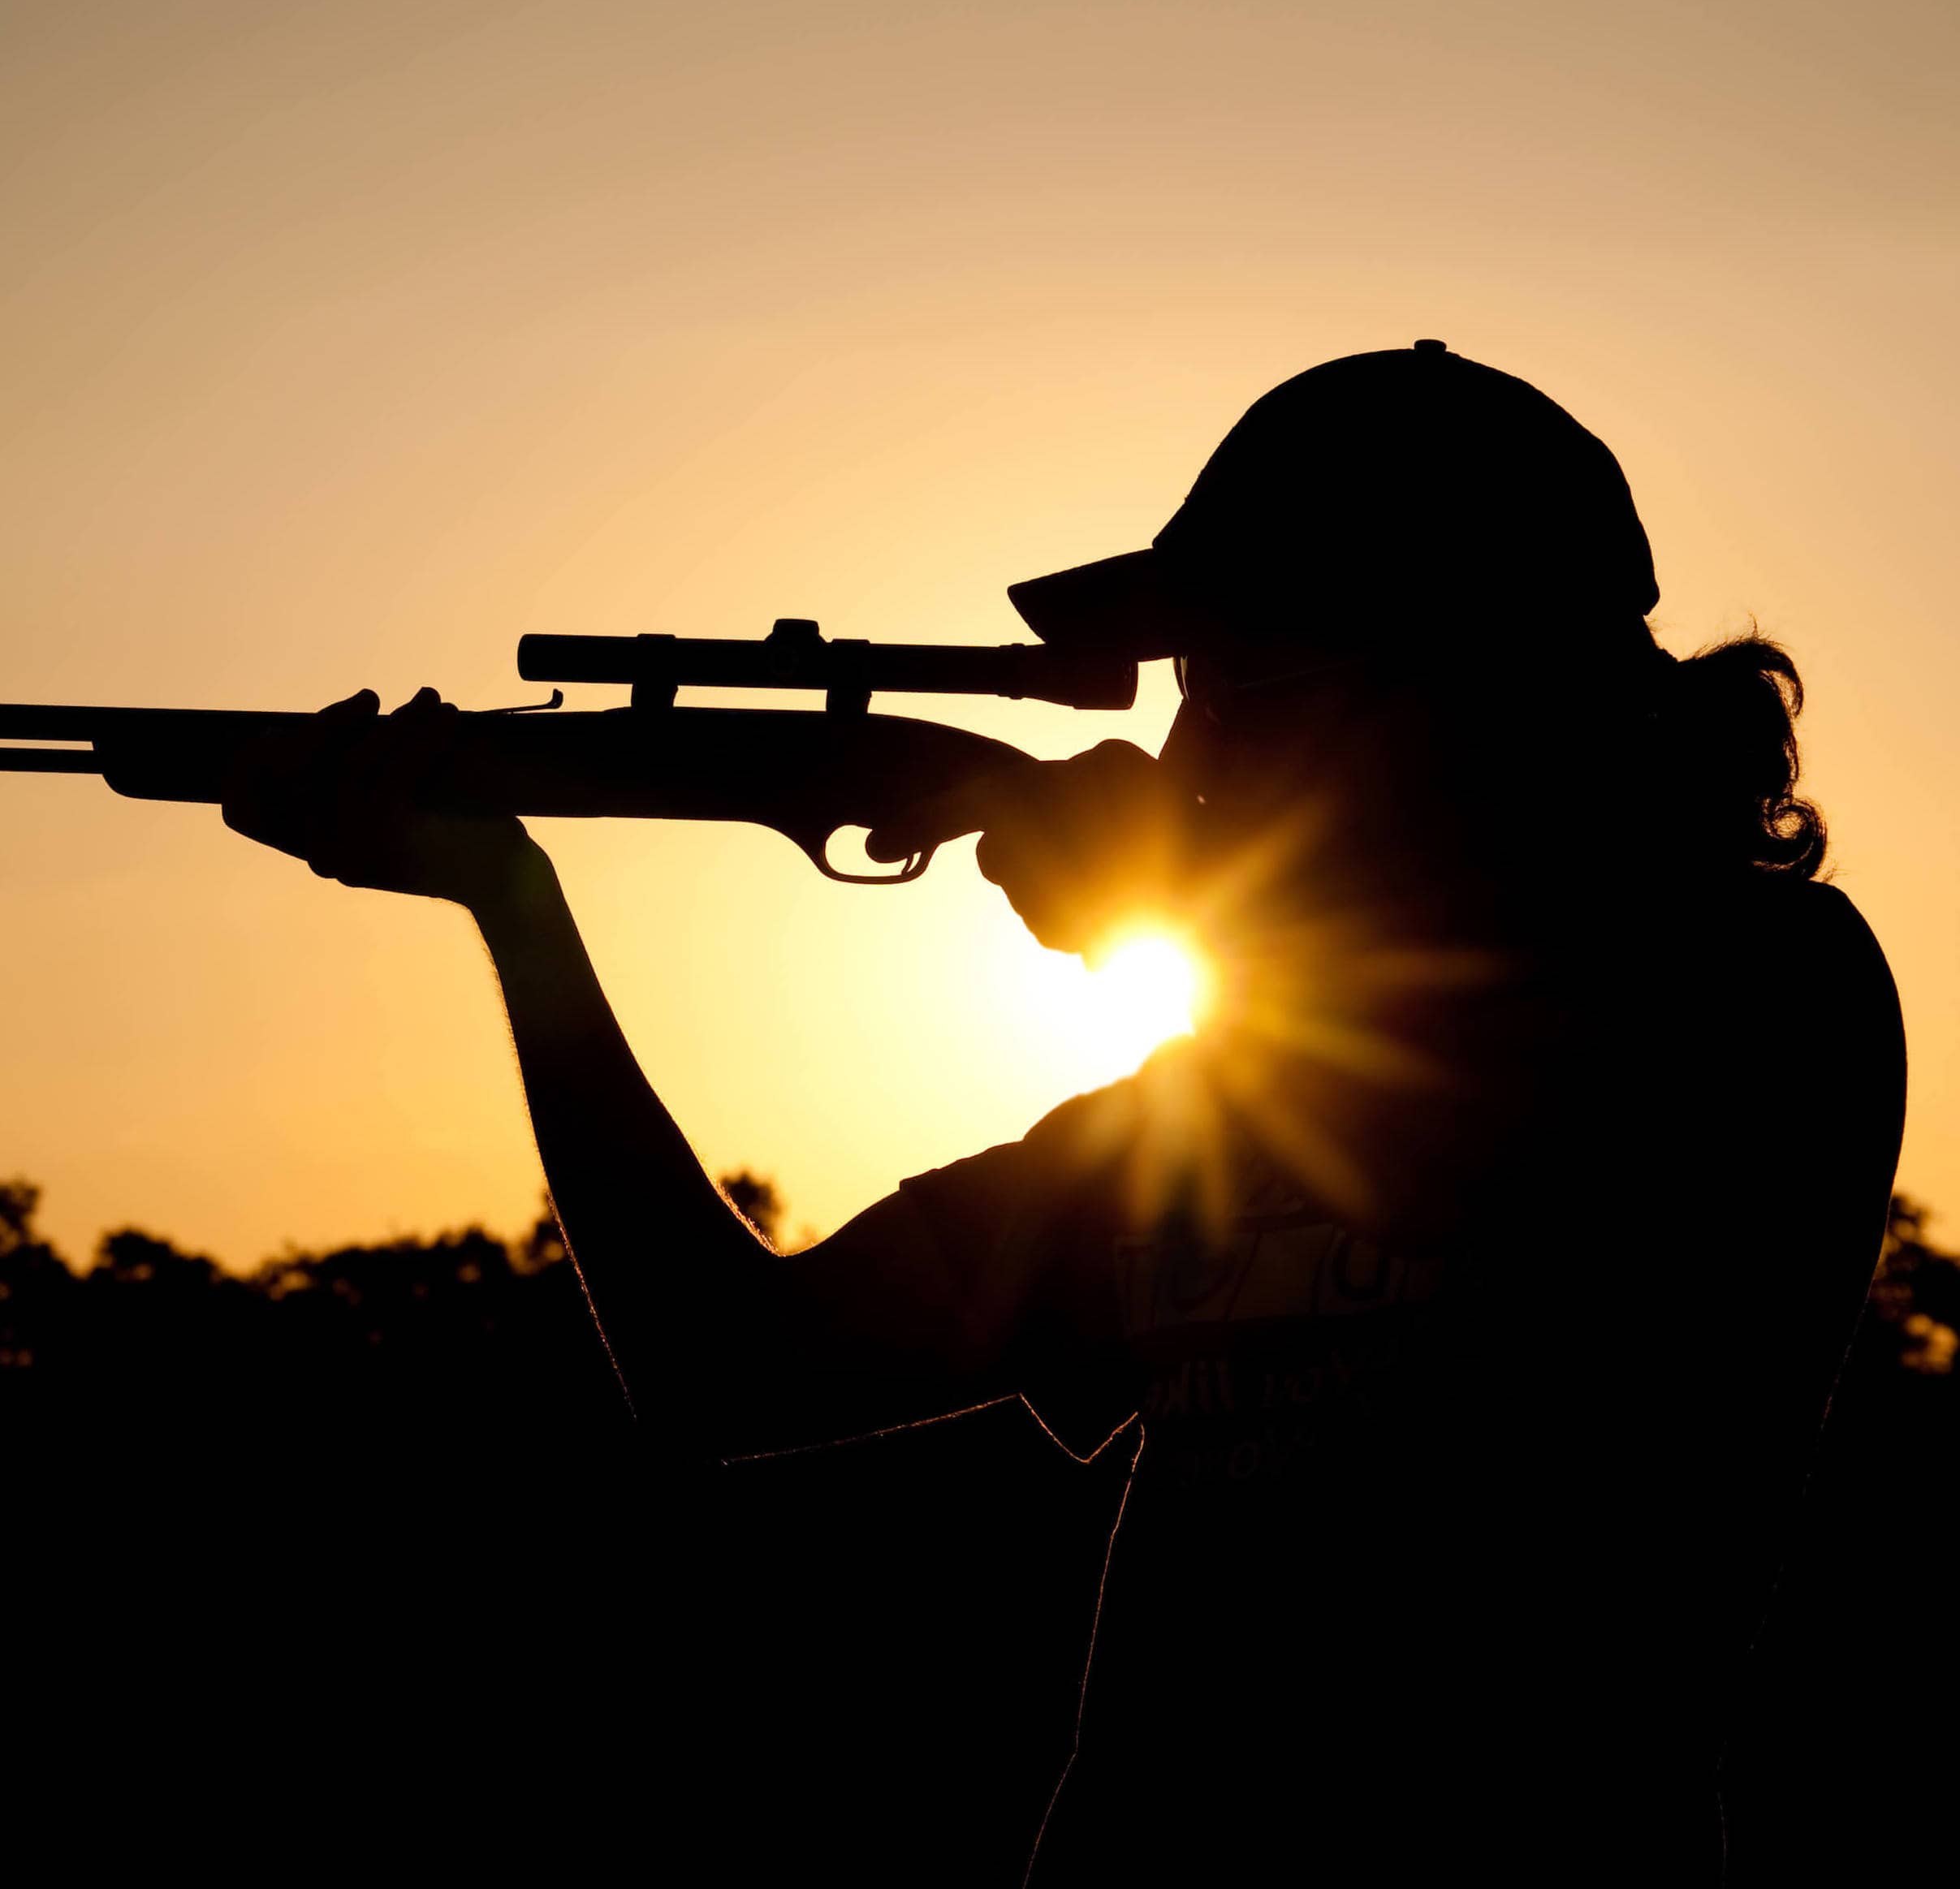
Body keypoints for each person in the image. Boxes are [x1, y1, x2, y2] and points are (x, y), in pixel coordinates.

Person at [222, 342, 1906, 1884]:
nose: (1186, 740)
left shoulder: (1761, 990)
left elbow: (1476, 1161)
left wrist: (1189, 909)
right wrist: (515, 912)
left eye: (1245, 682)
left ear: (1458, 682)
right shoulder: (1205, 1105)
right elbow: (723, 1367)